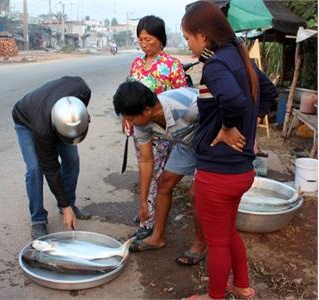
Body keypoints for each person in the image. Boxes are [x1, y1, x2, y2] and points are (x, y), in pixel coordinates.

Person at [181, 1, 277, 299]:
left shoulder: (217, 65)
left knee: (217, 242)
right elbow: (270, 94)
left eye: (188, 38)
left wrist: (229, 126)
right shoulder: (238, 56)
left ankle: (215, 297)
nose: (188, 46)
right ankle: (243, 285)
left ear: (203, 35)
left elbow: (234, 102)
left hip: (218, 172)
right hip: (240, 171)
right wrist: (249, 130)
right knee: (228, 232)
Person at [114, 82, 209, 262]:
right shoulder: (142, 124)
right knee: (164, 183)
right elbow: (146, 160)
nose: (130, 123)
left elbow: (224, 113)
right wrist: (143, 202)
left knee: (197, 193)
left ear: (147, 110)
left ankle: (200, 244)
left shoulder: (188, 106)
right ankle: (157, 237)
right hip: (187, 145)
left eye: (131, 118)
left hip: (210, 145)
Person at [126, 15, 189, 242]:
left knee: (155, 174)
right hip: (140, 129)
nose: (144, 44)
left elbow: (182, 97)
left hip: (163, 131)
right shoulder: (136, 64)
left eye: (149, 40)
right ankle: (147, 211)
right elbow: (128, 90)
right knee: (145, 170)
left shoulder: (172, 66)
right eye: (141, 40)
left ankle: (148, 222)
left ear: (160, 39)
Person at [12, 76, 92, 240]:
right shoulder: (43, 130)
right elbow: (51, 169)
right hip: (26, 121)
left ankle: (68, 204)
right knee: (35, 168)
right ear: (55, 127)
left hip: (50, 112)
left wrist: (66, 204)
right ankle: (38, 219)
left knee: (72, 159)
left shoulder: (82, 91)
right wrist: (64, 204)